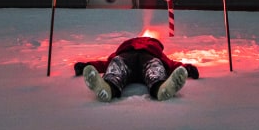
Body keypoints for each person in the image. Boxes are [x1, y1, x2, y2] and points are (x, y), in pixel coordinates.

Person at [72, 36, 200, 102]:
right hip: (126, 57)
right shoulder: (124, 51)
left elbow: (172, 65)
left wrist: (188, 68)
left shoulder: (157, 53)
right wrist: (86, 65)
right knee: (117, 65)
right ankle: (106, 88)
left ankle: (162, 88)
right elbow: (104, 64)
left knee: (154, 67)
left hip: (147, 58)